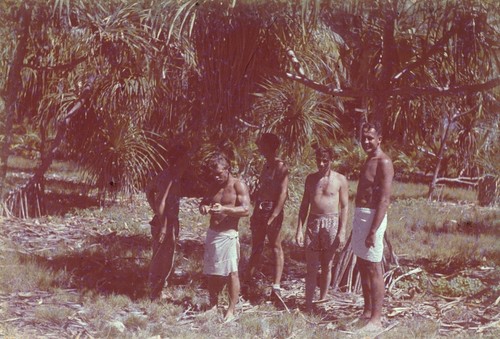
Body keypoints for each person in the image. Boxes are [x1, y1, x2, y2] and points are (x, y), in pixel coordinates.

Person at [352, 122, 394, 332]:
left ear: (379, 138)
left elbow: (384, 200)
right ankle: (367, 311)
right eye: (364, 137)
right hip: (361, 215)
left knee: (373, 267)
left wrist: (372, 231)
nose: (366, 141)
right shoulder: (368, 159)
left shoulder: (384, 162)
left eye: (370, 137)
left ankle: (376, 319)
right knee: (362, 264)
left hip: (373, 219)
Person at [295, 145, 348, 312]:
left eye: (325, 161)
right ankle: (309, 303)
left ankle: (323, 301)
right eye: (319, 160)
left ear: (331, 161)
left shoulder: (340, 180)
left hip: (331, 223)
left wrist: (342, 230)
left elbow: (345, 206)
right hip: (313, 223)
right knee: (311, 266)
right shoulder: (311, 179)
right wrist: (299, 229)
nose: (321, 164)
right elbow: (304, 205)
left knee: (327, 264)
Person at [199, 152, 250, 321]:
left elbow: (245, 210)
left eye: (219, 173)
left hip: (228, 235)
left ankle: (231, 310)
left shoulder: (238, 185)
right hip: (213, 233)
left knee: (231, 273)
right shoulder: (213, 184)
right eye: (213, 174)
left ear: (227, 170)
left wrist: (225, 209)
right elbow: (204, 201)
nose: (215, 177)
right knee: (212, 272)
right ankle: (213, 305)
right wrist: (204, 207)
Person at [245, 133, 289, 300]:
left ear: (270, 146)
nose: (259, 148)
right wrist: (256, 212)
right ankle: (247, 281)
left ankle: (276, 286)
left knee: (275, 246)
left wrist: (274, 215)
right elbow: (262, 191)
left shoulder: (280, 167)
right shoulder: (266, 166)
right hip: (261, 210)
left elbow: (283, 193)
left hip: (272, 211)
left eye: (262, 145)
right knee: (256, 246)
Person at [145, 145, 190, 301]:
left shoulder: (170, 175)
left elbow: (149, 190)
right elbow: (161, 201)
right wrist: (164, 225)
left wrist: (155, 208)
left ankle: (158, 288)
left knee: (163, 255)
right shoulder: (169, 177)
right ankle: (157, 290)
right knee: (163, 257)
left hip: (167, 220)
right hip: (166, 222)